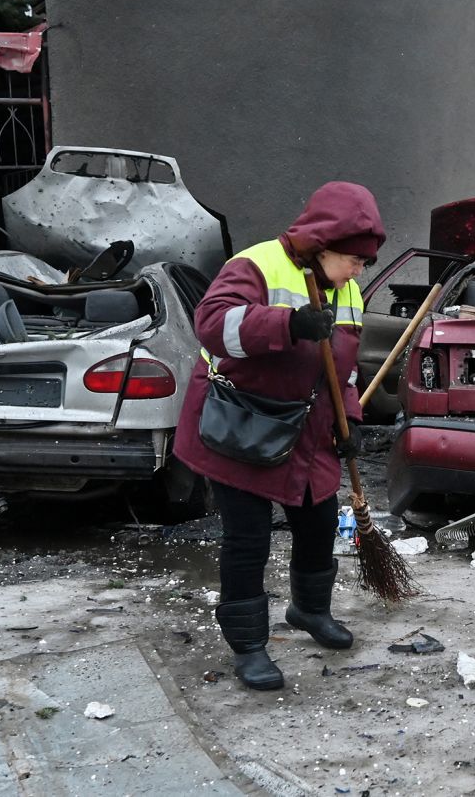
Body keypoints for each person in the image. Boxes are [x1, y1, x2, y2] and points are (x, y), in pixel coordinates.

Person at [174, 181, 384, 690]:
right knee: (248, 538)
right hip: (242, 425)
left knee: (317, 523)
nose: (360, 271)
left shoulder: (346, 289)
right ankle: (248, 645)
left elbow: (345, 370)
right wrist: (287, 324)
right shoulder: (258, 265)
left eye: (365, 262)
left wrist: (347, 422)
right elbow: (213, 325)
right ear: (321, 245)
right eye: (354, 260)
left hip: (306, 431)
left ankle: (309, 609)